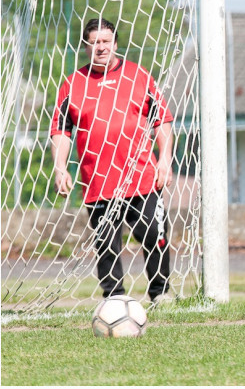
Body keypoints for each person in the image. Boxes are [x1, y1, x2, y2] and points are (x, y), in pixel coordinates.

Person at [50, 18, 174, 305]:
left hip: (142, 175)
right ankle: (114, 299)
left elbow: (162, 121)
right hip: (99, 179)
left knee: (154, 233)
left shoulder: (139, 75)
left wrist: (165, 159)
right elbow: (61, 131)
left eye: (105, 41)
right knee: (106, 243)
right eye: (94, 42)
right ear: (85, 47)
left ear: (115, 44)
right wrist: (60, 168)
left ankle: (160, 293)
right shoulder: (72, 84)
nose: (100, 47)